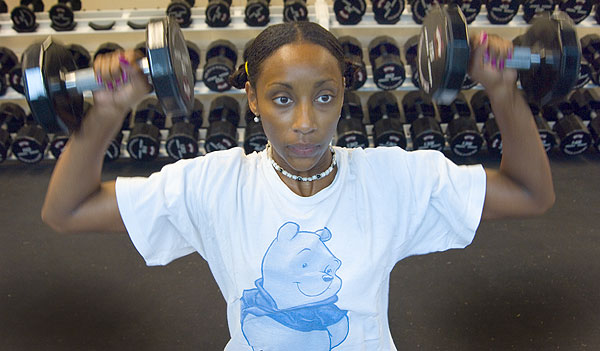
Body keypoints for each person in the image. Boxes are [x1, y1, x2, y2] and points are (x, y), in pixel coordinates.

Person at [41, 21, 555, 351]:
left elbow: (531, 195)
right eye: (282, 99)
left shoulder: (394, 178)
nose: (306, 122)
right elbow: (67, 211)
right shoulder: (214, 185)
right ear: (253, 98)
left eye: (324, 97)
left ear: (343, 96)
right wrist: (107, 111)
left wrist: (503, 88)